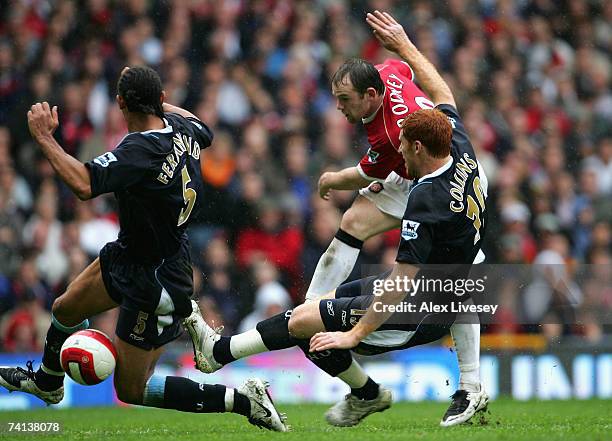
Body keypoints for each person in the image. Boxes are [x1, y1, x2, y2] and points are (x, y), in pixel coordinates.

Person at [184, 11, 489, 428]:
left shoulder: (423, 197)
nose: (398, 148)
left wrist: (354, 335)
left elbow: (401, 280)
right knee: (339, 280)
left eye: (345, 100)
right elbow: (442, 92)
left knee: (311, 325)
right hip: (450, 263)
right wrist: (403, 46)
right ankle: (382, 390)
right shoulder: (457, 139)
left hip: (422, 307)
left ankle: (219, 352)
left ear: (416, 146)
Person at [0, 66, 288, 432]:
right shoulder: (184, 129)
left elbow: (84, 185)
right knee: (65, 308)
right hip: (129, 253)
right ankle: (47, 382)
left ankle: (244, 401)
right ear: (162, 99)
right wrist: (163, 108)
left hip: (156, 279)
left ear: (120, 103)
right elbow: (204, 128)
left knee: (131, 389)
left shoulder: (138, 150)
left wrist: (44, 138)